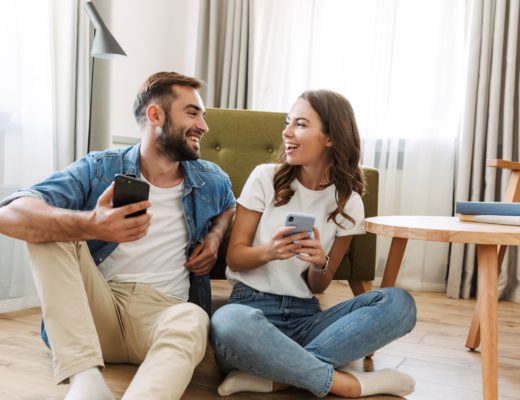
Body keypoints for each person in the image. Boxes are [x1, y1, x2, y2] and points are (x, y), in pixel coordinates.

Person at [0, 71, 236, 400]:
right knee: (49, 228)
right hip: (96, 312)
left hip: (163, 315)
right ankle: (85, 380)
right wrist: (93, 224)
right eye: (193, 113)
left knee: (194, 318)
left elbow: (228, 207)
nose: (204, 126)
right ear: (156, 115)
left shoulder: (212, 180)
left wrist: (214, 236)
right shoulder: (99, 168)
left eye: (203, 116)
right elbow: (9, 214)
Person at [210, 90, 417, 398]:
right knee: (228, 319)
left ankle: (277, 377)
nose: (287, 132)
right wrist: (270, 252)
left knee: (400, 303)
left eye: (301, 124)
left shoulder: (349, 202)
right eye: (288, 122)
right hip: (251, 310)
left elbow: (318, 285)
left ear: (331, 138)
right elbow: (235, 257)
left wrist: (319, 262)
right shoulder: (265, 178)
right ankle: (348, 385)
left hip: (306, 318)